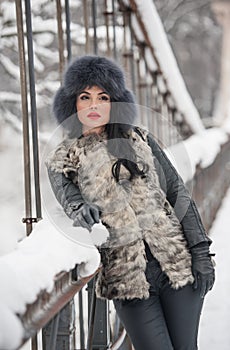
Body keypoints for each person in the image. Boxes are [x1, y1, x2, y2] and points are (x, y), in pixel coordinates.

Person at [46, 55, 215, 350]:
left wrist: (200, 251)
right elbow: (68, 198)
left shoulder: (141, 140)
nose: (94, 105)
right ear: (73, 103)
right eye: (85, 97)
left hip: (177, 266)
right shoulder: (63, 157)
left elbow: (177, 194)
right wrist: (81, 211)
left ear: (116, 102)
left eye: (103, 96)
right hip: (128, 280)